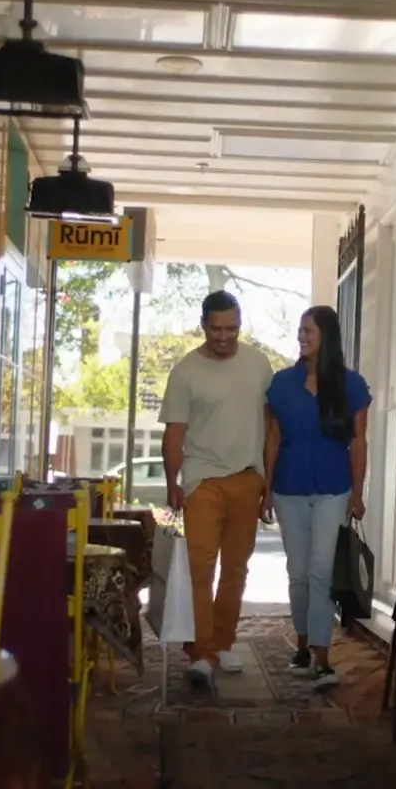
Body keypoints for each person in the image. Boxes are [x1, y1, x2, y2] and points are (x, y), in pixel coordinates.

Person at [160, 290, 275, 685]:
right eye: (216, 329)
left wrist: (268, 483)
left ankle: (223, 643)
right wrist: (171, 481)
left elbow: (270, 427)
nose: (224, 336)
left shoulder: (259, 365)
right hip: (202, 479)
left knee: (236, 569)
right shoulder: (185, 372)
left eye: (232, 329)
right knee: (199, 567)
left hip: (248, 477)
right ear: (203, 325)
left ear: (240, 325)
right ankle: (201, 652)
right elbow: (175, 432)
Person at [261, 305, 370, 687]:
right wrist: (266, 491)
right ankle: (303, 643)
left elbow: (358, 443)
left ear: (327, 335)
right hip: (288, 487)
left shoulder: (351, 385)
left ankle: (323, 657)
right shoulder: (280, 383)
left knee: (321, 570)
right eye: (299, 331)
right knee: (299, 572)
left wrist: (357, 491)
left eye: (308, 330)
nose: (301, 337)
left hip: (333, 488)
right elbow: (271, 437)